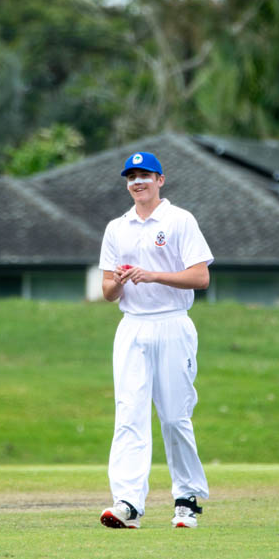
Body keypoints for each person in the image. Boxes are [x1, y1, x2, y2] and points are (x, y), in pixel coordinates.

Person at [98, 151, 214, 529]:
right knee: (129, 413)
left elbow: (200, 277)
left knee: (175, 416)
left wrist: (153, 275)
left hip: (172, 323)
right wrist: (119, 280)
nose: (138, 182)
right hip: (133, 327)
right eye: (131, 177)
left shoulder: (180, 220)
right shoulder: (117, 228)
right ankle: (128, 503)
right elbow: (107, 291)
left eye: (145, 175)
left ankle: (186, 499)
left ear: (160, 180)